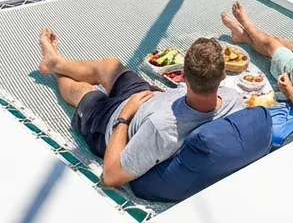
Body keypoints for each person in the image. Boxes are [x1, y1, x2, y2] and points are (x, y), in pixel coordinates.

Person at [38, 31, 243, 188]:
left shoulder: (162, 130)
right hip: (149, 97)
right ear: (223, 76)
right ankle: (57, 62)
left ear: (184, 76)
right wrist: (161, 96)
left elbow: (111, 177)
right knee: (110, 65)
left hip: (114, 123)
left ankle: (55, 70)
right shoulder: (233, 100)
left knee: (84, 91)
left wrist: (125, 116)